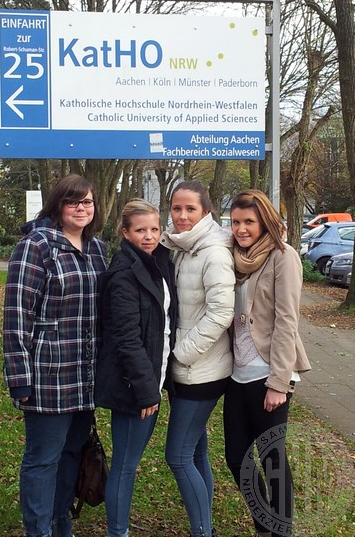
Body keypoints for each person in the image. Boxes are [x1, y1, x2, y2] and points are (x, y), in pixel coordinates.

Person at [2, 174, 107, 537]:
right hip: (48, 373)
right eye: (73, 202)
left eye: (88, 202)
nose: (82, 209)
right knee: (43, 458)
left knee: (72, 453)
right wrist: (19, 378)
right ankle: (39, 529)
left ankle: (62, 522)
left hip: (86, 374)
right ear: (58, 206)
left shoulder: (97, 249)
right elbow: (17, 315)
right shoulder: (36, 246)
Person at [223, 190, 311, 537]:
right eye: (235, 222)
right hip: (238, 373)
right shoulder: (236, 257)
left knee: (272, 460)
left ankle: (281, 529)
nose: (241, 229)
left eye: (249, 222)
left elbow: (287, 320)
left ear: (265, 222)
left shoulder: (282, 256)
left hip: (268, 375)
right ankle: (264, 523)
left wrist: (279, 382)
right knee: (236, 456)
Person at [95, 199, 177, 537]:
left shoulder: (158, 263)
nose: (149, 236)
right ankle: (118, 531)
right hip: (134, 387)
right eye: (140, 230)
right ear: (125, 233)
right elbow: (126, 338)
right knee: (125, 466)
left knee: (128, 465)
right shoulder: (125, 273)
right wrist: (146, 391)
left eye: (155, 229)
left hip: (152, 381)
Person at [160, 180, 235, 537]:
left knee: (177, 455)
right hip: (189, 369)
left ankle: (202, 531)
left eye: (191, 209)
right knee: (196, 453)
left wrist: (181, 354)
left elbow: (221, 312)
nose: (182, 215)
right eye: (177, 208)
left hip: (199, 371)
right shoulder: (184, 248)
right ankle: (206, 527)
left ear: (206, 211)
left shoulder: (213, 252)